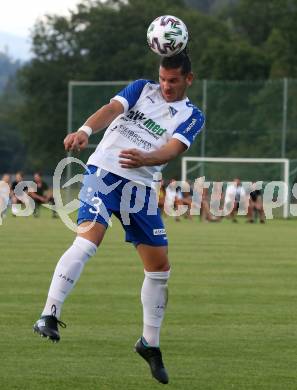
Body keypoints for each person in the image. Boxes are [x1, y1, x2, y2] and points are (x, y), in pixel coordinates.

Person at [33, 51, 205, 384]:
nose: (166, 86)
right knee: (88, 240)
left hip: (141, 189)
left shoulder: (193, 115)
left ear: (188, 79)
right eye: (163, 79)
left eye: (173, 81)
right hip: (104, 174)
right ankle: (49, 314)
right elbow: (112, 109)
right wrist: (85, 130)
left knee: (159, 268)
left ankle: (149, 344)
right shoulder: (141, 88)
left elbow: (173, 149)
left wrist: (147, 157)